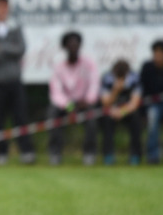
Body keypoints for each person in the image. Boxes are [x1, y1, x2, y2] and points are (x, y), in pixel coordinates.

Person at [0, 0, 35, 165]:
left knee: (20, 117)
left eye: (5, 6)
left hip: (14, 80)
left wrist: (2, 48)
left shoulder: (15, 27)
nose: (2, 10)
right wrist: (8, 48)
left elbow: (21, 49)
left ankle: (26, 151)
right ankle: (1, 153)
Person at [48, 31, 99, 166]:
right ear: (65, 48)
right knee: (53, 115)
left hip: (84, 103)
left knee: (92, 120)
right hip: (66, 105)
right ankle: (55, 153)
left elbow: (94, 84)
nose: (73, 48)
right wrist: (69, 105)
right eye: (70, 45)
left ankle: (89, 153)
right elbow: (56, 93)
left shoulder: (89, 64)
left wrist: (87, 100)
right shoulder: (59, 67)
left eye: (76, 45)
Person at [99, 60, 143, 165]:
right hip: (111, 110)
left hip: (127, 110)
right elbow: (105, 103)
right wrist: (115, 90)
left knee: (136, 120)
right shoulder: (107, 78)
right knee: (106, 121)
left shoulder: (134, 78)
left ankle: (135, 155)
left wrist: (122, 112)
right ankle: (108, 155)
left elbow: (135, 102)